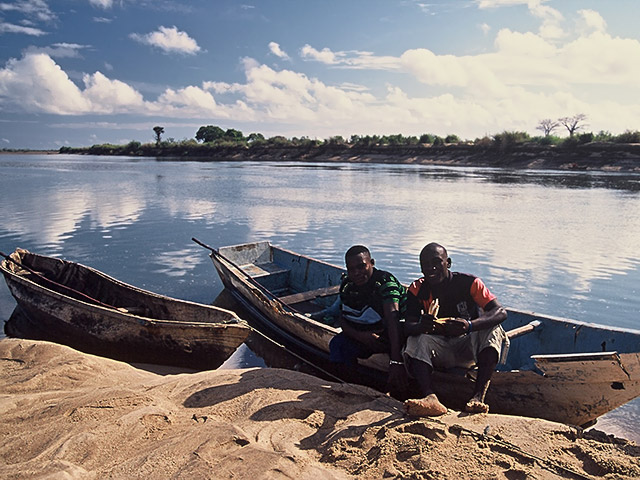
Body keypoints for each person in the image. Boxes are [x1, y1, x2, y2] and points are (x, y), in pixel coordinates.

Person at [402, 242, 508, 417]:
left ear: (448, 263)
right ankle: (430, 397)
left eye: (436, 262)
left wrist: (469, 326)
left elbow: (500, 312)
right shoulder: (417, 289)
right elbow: (408, 326)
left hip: (468, 348)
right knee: (415, 338)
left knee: (493, 328)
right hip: (438, 350)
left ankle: (478, 396)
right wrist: (422, 326)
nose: (431, 268)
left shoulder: (470, 283)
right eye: (426, 264)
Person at [328, 245, 408, 395]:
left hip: (397, 336)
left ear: (372, 262)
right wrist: (362, 336)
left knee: (401, 367)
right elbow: (343, 319)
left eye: (361, 266)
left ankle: (398, 389)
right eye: (351, 269)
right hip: (365, 335)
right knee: (337, 345)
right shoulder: (347, 285)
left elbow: (393, 321)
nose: (356, 273)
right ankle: (352, 387)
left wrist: (396, 361)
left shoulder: (385, 282)